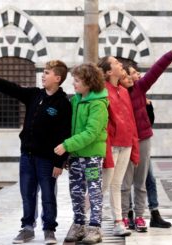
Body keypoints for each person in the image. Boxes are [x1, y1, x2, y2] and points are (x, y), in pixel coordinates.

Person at [0, 60, 72, 244]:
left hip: (47, 160)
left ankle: (49, 229)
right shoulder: (34, 95)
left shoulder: (63, 103)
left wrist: (60, 163)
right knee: (27, 194)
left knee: (48, 195)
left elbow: (64, 134)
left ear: (57, 78)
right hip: (27, 156)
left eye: (47, 73)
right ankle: (27, 228)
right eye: (43, 72)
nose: (43, 75)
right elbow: (11, 88)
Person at [119, 42, 172, 232]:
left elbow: (156, 71)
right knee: (124, 182)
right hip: (125, 141)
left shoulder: (139, 88)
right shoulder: (116, 94)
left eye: (132, 74)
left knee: (142, 180)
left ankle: (139, 216)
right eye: (126, 75)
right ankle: (124, 216)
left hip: (143, 139)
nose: (131, 77)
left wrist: (170, 55)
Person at [54, 63, 108, 244]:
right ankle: (78, 225)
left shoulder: (98, 104)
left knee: (93, 191)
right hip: (76, 155)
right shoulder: (75, 100)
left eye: (77, 81)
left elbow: (91, 132)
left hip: (92, 156)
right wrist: (69, 152)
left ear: (89, 82)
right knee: (76, 192)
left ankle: (95, 228)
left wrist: (67, 145)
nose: (74, 84)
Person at [97, 57, 139, 237]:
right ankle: (84, 220)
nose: (120, 64)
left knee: (117, 185)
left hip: (126, 144)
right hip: (111, 145)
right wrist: (106, 152)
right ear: (108, 72)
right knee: (102, 186)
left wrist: (135, 149)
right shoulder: (102, 92)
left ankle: (118, 222)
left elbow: (131, 120)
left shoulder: (123, 90)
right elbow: (103, 125)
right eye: (115, 63)